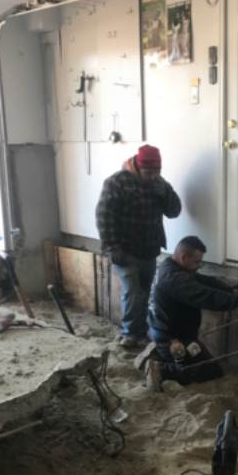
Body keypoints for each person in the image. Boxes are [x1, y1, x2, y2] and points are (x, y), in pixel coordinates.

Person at [144, 236, 238, 391]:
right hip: (174, 341)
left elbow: (204, 281)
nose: (199, 266)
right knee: (210, 371)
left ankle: (161, 355)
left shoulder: (170, 266)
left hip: (168, 333)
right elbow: (206, 295)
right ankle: (162, 369)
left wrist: (233, 291)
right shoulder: (174, 279)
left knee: (203, 362)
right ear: (183, 257)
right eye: (197, 262)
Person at [96, 144, 182, 348]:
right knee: (133, 292)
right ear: (137, 166)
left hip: (149, 249)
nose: (152, 176)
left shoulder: (159, 183)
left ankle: (140, 330)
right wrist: (111, 247)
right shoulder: (117, 182)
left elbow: (174, 211)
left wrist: (166, 194)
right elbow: (103, 215)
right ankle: (130, 333)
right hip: (124, 251)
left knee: (144, 293)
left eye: (156, 172)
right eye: (148, 172)